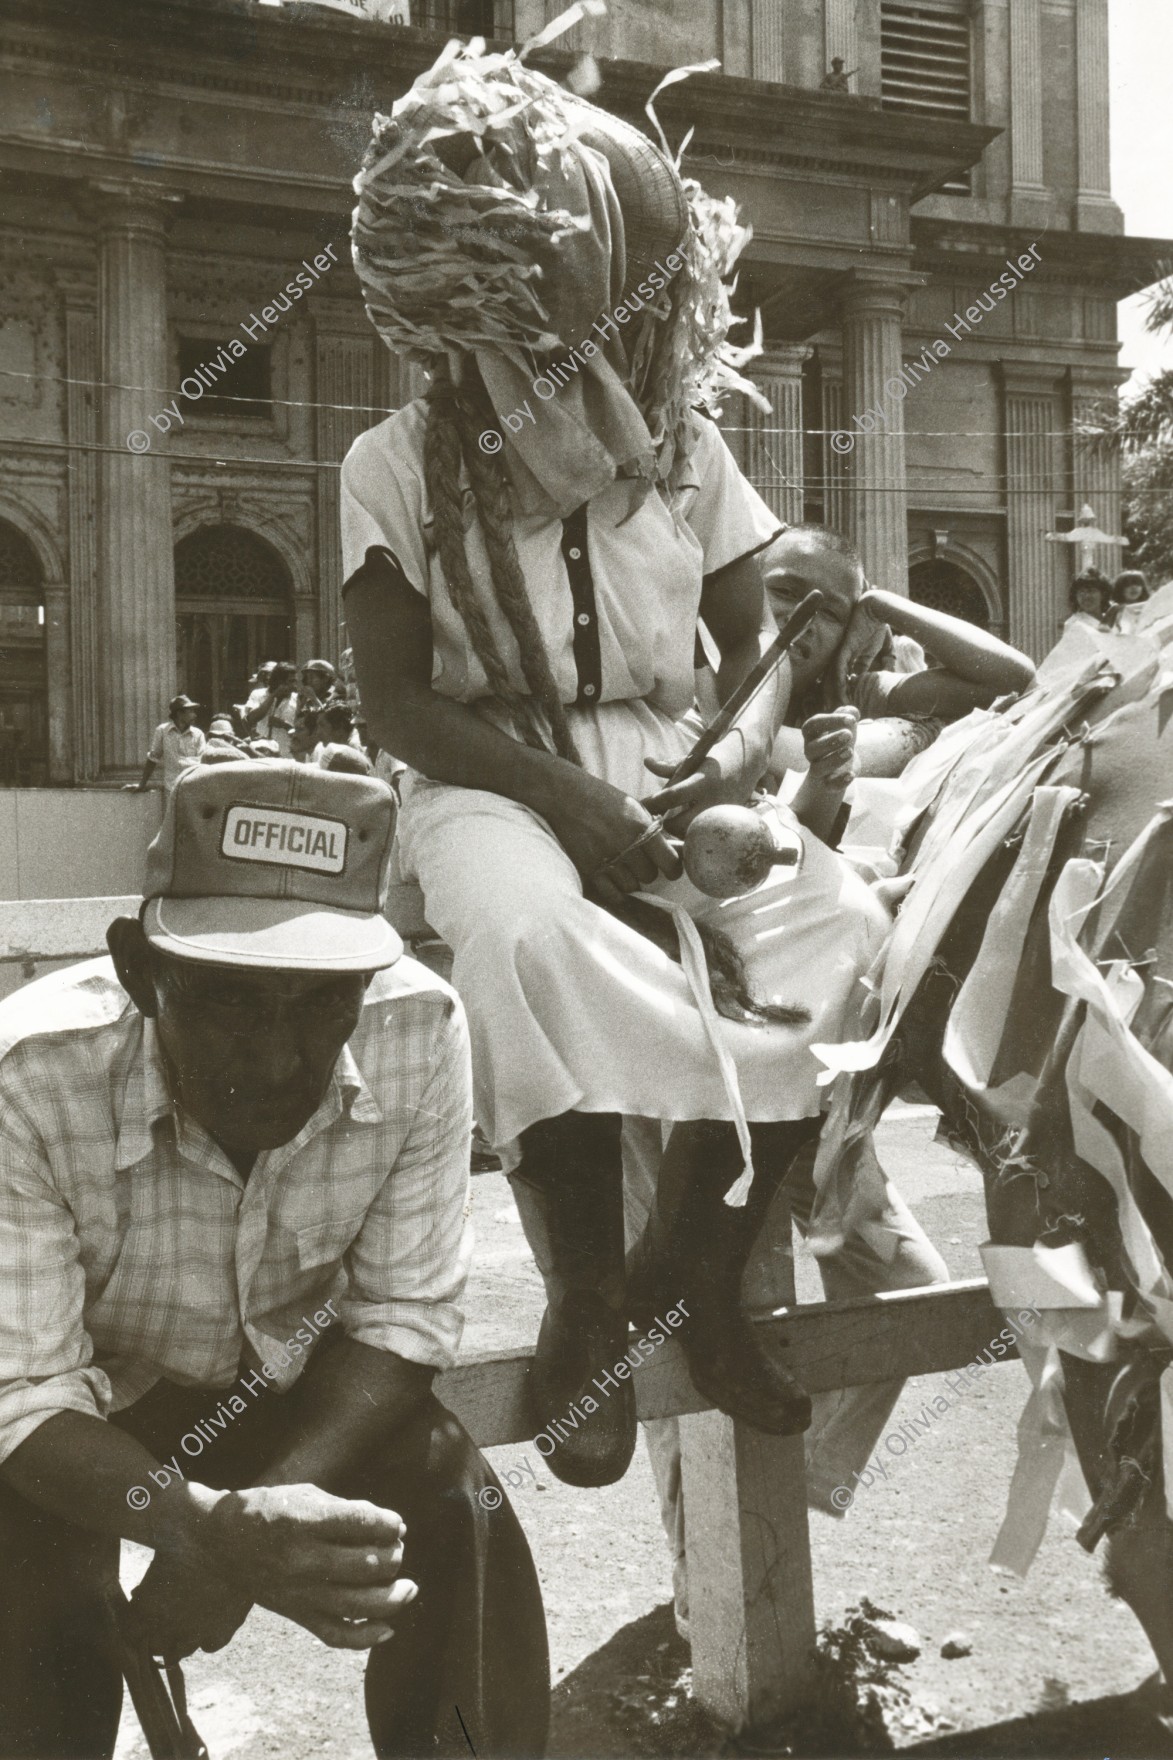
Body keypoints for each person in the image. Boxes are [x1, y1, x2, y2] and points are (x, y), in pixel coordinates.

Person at [341, 41, 897, 1486]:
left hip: (669, 754)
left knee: (843, 930)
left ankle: (695, 1265)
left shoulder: (689, 451)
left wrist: (728, 766)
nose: (565, 382)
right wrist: (569, 802)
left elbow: (763, 658)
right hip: (487, 773)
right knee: (522, 933)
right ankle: (588, 1294)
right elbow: (397, 704)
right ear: (465, 338)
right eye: (530, 355)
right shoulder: (391, 461)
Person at [0, 760, 549, 1759]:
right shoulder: (29, 1074)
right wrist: (198, 1525)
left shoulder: (417, 1028)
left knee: (453, 1499)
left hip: (287, 1386)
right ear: (137, 968)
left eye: (319, 1004)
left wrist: (243, 1530)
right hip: (83, 1405)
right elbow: (26, 1394)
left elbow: (402, 1318)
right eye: (227, 1002)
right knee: (24, 1585)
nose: (277, 1059)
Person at [761, 526, 1036, 799]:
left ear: (846, 634)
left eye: (830, 613)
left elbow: (1014, 681)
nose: (803, 619)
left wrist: (880, 606)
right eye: (784, 592)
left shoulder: (852, 695)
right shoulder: (717, 679)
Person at [126, 694, 206, 796]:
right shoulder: (162, 731)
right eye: (190, 711)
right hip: (171, 788)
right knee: (170, 812)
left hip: (194, 788)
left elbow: (203, 762)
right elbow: (153, 758)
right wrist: (142, 784)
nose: (194, 715)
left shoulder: (198, 734)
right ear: (179, 713)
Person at [243, 662, 299, 756]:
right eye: (290, 681)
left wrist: (285, 725)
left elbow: (302, 731)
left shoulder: (297, 699)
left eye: (295, 681)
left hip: (286, 753)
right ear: (279, 681)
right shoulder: (258, 694)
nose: (294, 685)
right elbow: (251, 719)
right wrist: (273, 696)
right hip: (261, 753)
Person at [1107, 567, 1151, 635]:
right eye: (1128, 585)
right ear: (1120, 588)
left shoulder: (1148, 607)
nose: (1134, 587)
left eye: (1138, 584)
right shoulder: (1115, 609)